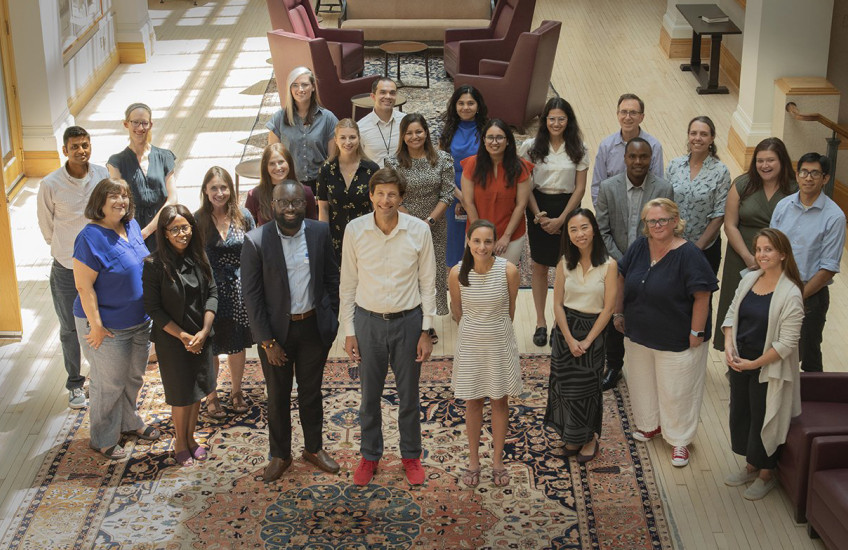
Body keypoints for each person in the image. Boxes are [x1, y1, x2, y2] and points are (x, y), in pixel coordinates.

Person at [340, 167, 436, 487]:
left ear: (402, 197)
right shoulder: (354, 231)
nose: (385, 200)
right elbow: (348, 285)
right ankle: (369, 456)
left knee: (408, 396)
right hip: (367, 322)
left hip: (408, 322)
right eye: (379, 193)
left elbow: (428, 284)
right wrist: (349, 330)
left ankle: (410, 455)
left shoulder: (418, 231)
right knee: (370, 396)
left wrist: (427, 330)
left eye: (392, 194)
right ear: (371, 196)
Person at [241, 180, 341, 481]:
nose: (290, 209)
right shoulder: (256, 241)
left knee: (311, 393)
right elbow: (252, 297)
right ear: (273, 205)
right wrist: (267, 342)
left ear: (304, 204)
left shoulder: (320, 232)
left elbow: (331, 279)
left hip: (313, 329)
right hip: (276, 335)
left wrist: (331, 319)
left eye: (296, 202)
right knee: (278, 396)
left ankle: (314, 448)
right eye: (283, 203)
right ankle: (280, 454)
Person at [614, 198, 718, 468]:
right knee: (642, 382)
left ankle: (680, 440)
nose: (657, 225)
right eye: (652, 220)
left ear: (675, 221)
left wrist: (697, 330)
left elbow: (702, 295)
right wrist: (618, 311)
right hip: (639, 333)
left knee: (677, 390)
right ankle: (650, 426)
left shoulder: (689, 254)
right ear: (645, 223)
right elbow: (622, 275)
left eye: (663, 220)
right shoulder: (639, 246)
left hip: (678, 338)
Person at [73, 178, 160, 460]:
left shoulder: (131, 226)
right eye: (114, 196)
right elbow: (84, 287)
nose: (121, 201)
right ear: (99, 201)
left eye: (124, 196)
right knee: (107, 383)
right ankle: (103, 437)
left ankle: (129, 421)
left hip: (139, 321)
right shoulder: (88, 238)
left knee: (133, 376)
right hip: (107, 326)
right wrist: (96, 326)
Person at [721, 228, 804, 500]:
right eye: (758, 249)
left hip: (768, 366)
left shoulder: (791, 293)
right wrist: (730, 347)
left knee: (765, 419)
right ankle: (751, 465)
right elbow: (732, 313)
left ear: (782, 254)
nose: (762, 255)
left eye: (768, 249)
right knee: (742, 413)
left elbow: (786, 344)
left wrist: (754, 363)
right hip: (741, 360)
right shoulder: (750, 279)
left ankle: (767, 474)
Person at [37, 125, 110, 409]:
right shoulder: (50, 184)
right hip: (67, 268)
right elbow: (47, 227)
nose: (81, 151)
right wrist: (68, 251)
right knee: (70, 328)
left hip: (100, 266)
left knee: (101, 319)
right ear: (64, 150)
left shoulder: (102, 174)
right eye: (75, 146)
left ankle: (101, 376)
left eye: (85, 145)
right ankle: (75, 383)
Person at [595, 137, 673, 391]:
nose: (638, 162)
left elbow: (664, 231)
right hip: (615, 265)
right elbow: (602, 230)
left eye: (644, 157)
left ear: (651, 159)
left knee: (648, 315)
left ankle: (648, 367)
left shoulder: (663, 189)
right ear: (625, 158)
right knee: (612, 316)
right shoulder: (608, 188)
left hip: (651, 264)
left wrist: (642, 263)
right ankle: (614, 366)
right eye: (633, 157)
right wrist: (622, 262)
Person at [143, 205, 217, 467]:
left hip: (202, 336)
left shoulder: (199, 256)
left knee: (197, 390)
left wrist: (204, 331)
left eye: (185, 227)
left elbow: (212, 294)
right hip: (173, 340)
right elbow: (153, 308)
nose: (181, 233)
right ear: (164, 233)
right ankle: (180, 442)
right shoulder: (153, 264)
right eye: (175, 229)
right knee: (181, 394)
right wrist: (184, 335)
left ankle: (191, 438)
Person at [448, 219, 520, 488]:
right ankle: (474, 461)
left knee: (500, 401)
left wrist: (493, 329)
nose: (482, 246)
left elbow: (510, 311)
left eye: (488, 241)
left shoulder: (509, 271)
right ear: (468, 242)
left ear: (495, 243)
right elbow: (457, 311)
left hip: (499, 342)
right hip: (470, 344)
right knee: (473, 402)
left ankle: (498, 461)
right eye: (476, 241)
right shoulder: (457, 273)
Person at [713, 138, 797, 352]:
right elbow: (730, 224)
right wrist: (749, 257)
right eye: (760, 160)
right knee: (738, 305)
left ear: (782, 161)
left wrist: (774, 258)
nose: (764, 165)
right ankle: (734, 356)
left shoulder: (794, 189)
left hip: (779, 258)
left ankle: (765, 356)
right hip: (741, 255)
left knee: (770, 307)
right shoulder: (742, 184)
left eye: (771, 160)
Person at [547, 209, 616, 464]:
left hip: (593, 331)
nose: (579, 234)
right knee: (564, 388)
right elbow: (557, 305)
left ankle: (589, 439)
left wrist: (587, 341)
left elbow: (608, 309)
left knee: (586, 391)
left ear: (594, 229)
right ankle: (571, 437)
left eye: (584, 227)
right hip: (566, 329)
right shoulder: (564, 262)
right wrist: (567, 338)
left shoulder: (609, 265)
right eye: (573, 229)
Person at [520, 98, 588, 347]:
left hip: (568, 209)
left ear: (568, 120)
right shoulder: (530, 147)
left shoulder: (578, 147)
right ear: (544, 121)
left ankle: (561, 321)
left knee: (566, 268)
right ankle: (540, 322)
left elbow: (580, 188)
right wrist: (538, 215)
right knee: (539, 265)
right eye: (552, 118)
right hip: (538, 207)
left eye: (561, 118)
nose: (556, 123)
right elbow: (525, 184)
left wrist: (563, 219)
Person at [770, 153, 846, 372]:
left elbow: (828, 269)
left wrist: (797, 295)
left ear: (825, 179)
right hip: (776, 288)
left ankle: (813, 403)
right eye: (804, 172)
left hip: (810, 296)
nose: (808, 178)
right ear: (797, 175)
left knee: (809, 354)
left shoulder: (834, 217)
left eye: (815, 173)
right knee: (774, 348)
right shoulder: (783, 206)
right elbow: (770, 249)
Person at [386, 113, 455, 342]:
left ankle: (428, 324)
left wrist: (428, 223)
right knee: (407, 274)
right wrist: (414, 224)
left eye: (418, 131)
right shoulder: (393, 162)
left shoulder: (443, 159)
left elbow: (447, 194)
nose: (414, 136)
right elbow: (395, 197)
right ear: (403, 137)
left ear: (426, 132)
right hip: (404, 228)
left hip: (434, 227)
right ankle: (410, 321)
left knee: (431, 276)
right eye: (409, 133)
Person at [195, 167, 256, 419]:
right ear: (205, 191)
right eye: (214, 188)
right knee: (211, 346)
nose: (219, 193)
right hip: (209, 291)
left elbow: (255, 250)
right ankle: (211, 395)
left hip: (239, 291)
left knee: (236, 343)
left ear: (231, 189)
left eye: (224, 187)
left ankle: (236, 391)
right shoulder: (197, 220)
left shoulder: (244, 216)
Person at [461, 119, 533, 266]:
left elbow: (521, 204)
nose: (494, 142)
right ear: (483, 140)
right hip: (476, 233)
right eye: (490, 137)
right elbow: (468, 202)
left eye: (499, 137)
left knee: (506, 279)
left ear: (508, 141)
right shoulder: (471, 164)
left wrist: (506, 237)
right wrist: (480, 235)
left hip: (510, 235)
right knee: (477, 278)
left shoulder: (521, 167)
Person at [107, 102, 178, 252]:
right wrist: (135, 235)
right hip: (131, 233)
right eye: (135, 122)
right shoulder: (116, 162)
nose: (140, 128)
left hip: (163, 228)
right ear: (126, 124)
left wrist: (146, 232)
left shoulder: (165, 156)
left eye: (144, 123)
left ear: (151, 125)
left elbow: (172, 199)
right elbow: (118, 202)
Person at [665, 116, 731, 275]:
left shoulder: (721, 172)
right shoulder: (674, 165)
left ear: (712, 138)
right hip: (671, 244)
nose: (697, 138)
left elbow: (719, 214)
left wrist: (697, 248)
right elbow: (664, 204)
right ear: (688, 136)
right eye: (693, 133)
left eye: (703, 134)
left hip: (705, 249)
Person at [266, 66, 338, 192]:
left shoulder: (328, 118)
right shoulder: (278, 119)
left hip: (320, 183)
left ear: (313, 87)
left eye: (305, 85)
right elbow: (272, 157)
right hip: (288, 183)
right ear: (290, 88)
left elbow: (332, 158)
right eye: (295, 85)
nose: (300, 89)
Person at [438, 85, 488, 268]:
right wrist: (461, 197)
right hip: (454, 191)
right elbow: (441, 166)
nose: (465, 107)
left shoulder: (487, 130)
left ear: (478, 105)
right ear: (454, 105)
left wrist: (471, 199)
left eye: (470, 103)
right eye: (461, 103)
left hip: (481, 190)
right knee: (455, 238)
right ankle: (455, 282)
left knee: (480, 236)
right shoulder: (447, 130)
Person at [316, 118, 380, 260]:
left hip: (365, 236)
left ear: (359, 138)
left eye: (352, 137)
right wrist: (324, 239)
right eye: (343, 138)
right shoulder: (326, 170)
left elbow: (376, 207)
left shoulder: (372, 169)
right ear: (336, 140)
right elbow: (323, 209)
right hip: (336, 238)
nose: (348, 142)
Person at [591, 93, 664, 206]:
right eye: (623, 112)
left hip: (643, 213)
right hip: (612, 211)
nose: (627, 117)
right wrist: (603, 215)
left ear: (642, 117)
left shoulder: (654, 146)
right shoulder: (606, 146)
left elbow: (657, 187)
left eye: (633, 113)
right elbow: (597, 186)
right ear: (617, 114)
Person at [245, 143, 317, 225]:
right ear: (265, 167)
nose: (278, 167)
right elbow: (248, 229)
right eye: (272, 163)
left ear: (289, 163)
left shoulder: (306, 192)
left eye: (281, 162)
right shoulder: (254, 195)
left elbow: (313, 226)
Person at [358, 77, 406, 167]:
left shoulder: (405, 121)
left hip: (402, 178)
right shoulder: (361, 127)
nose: (388, 96)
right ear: (373, 96)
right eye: (383, 92)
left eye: (392, 93)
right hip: (375, 178)